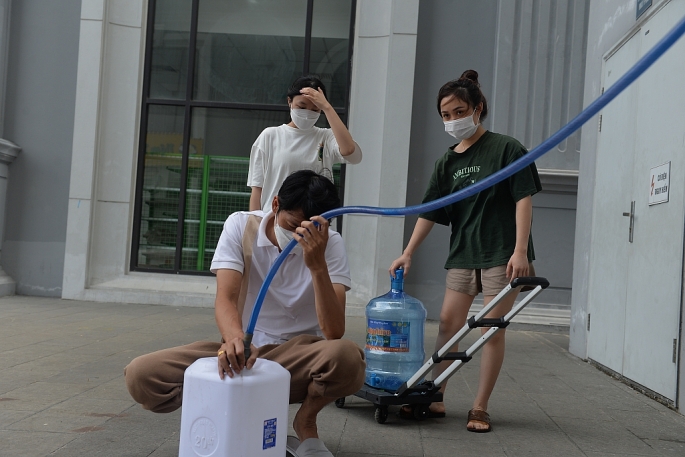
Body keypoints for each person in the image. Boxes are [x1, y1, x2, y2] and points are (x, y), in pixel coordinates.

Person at [125, 170, 365, 456]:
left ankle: (306, 421)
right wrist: (235, 340)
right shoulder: (241, 226)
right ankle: (223, 409)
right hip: (245, 349)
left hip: (299, 358)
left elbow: (334, 331)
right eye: (292, 225)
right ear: (275, 204)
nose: (297, 236)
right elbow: (225, 297)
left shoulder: (330, 244)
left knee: (348, 358)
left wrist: (317, 266)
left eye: (308, 229)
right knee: (142, 374)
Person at [389, 70, 542, 433]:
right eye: (446, 115)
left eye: (459, 111)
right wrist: (408, 252)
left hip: (502, 254)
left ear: (478, 108)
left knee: (491, 330)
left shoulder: (506, 148)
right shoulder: (447, 162)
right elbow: (429, 211)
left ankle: (480, 407)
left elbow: (523, 199)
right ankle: (435, 395)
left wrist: (520, 251)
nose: (453, 120)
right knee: (448, 324)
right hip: (463, 253)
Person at [247, 75, 362, 211]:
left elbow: (349, 150)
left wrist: (327, 107)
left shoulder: (326, 137)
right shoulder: (270, 136)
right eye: (301, 107)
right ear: (289, 101)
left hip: (315, 219)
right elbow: (257, 189)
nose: (307, 114)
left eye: (315, 109)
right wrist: (256, 221)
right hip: (275, 218)